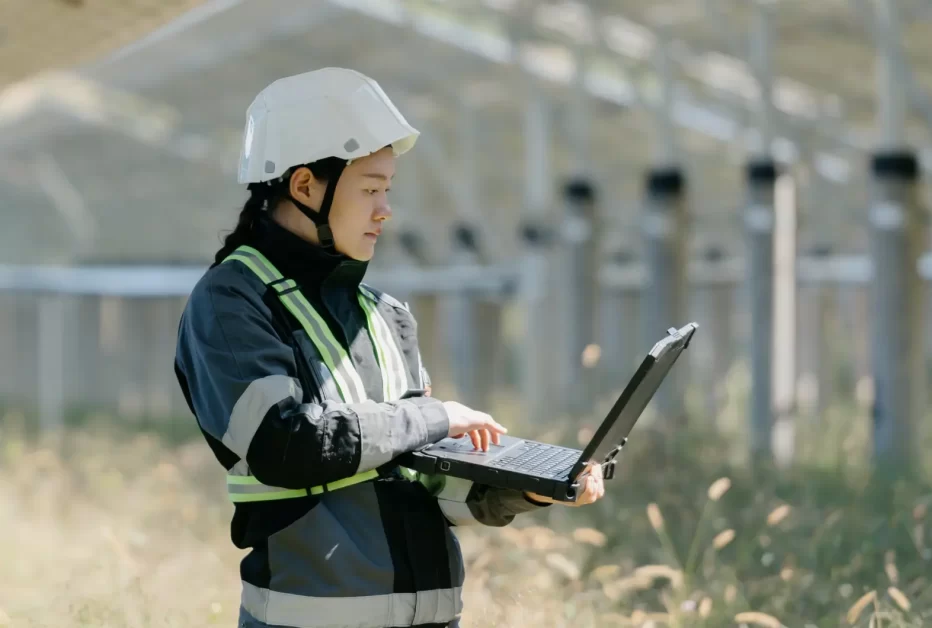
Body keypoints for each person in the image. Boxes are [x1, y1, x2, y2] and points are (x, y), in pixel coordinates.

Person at [173, 67, 607, 628]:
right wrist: (433, 415)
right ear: (305, 186)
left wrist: (530, 490)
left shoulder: (386, 315)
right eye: (371, 189)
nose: (385, 209)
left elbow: (423, 481)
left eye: (387, 190)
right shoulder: (230, 301)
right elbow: (283, 444)